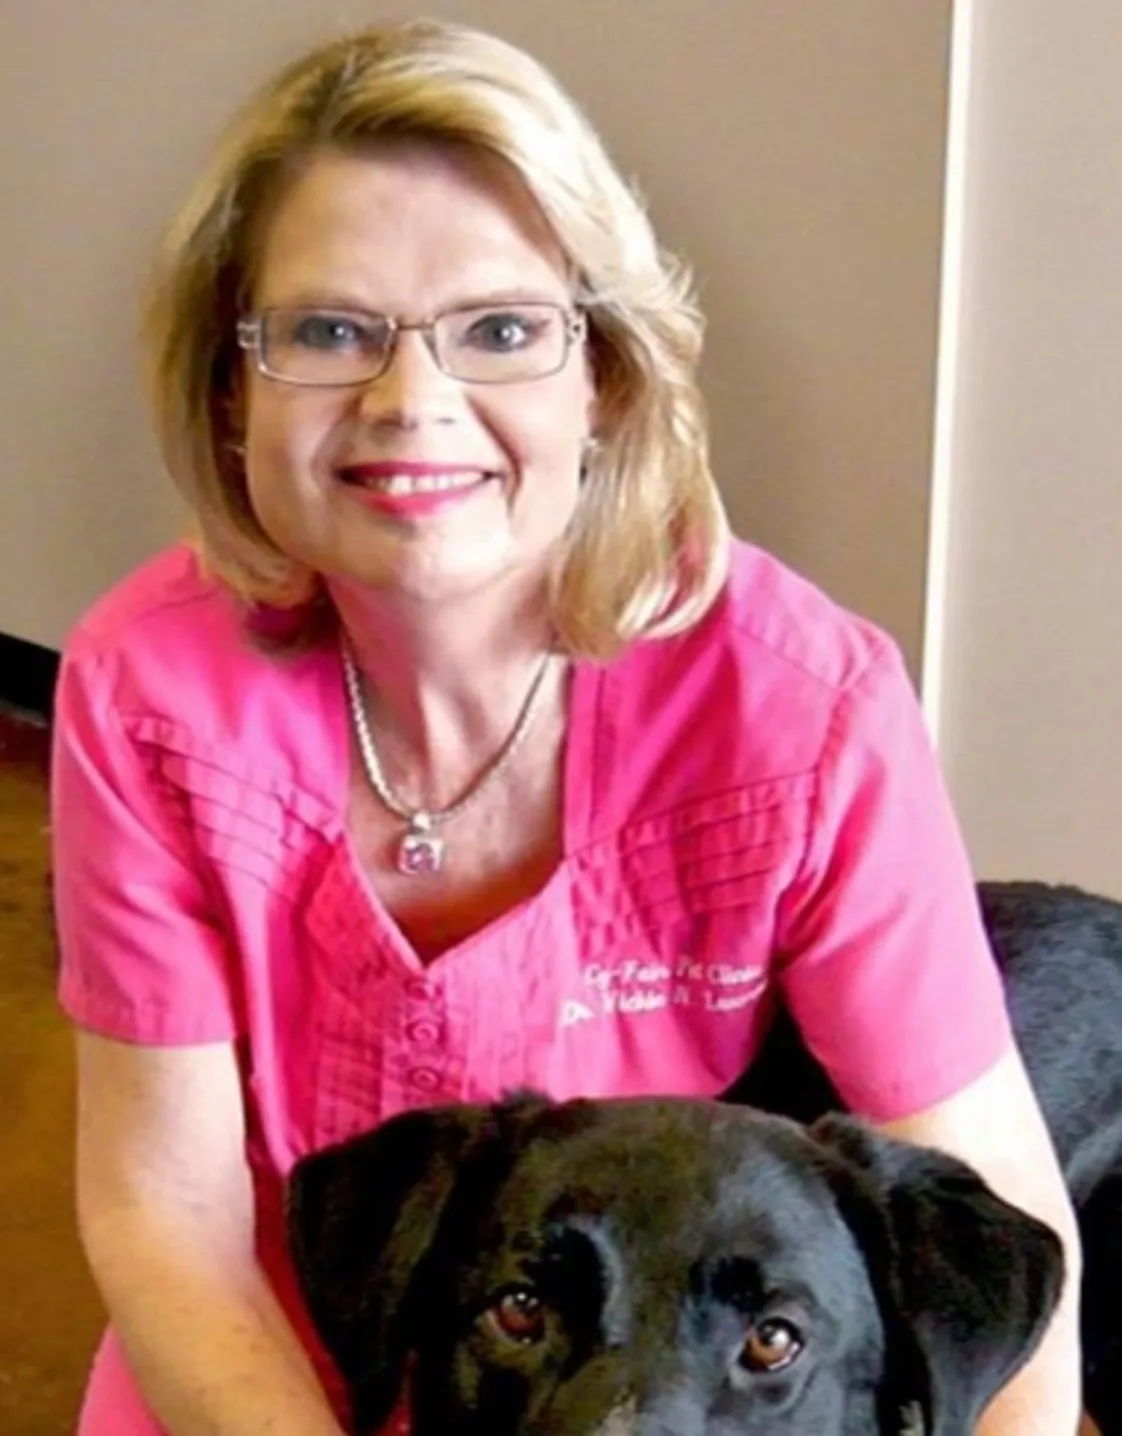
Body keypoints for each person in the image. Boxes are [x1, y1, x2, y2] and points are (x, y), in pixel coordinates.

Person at [50, 18, 1083, 1436]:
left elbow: (999, 1244)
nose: (413, 403)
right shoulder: (146, 689)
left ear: (600, 375)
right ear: (233, 392)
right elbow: (165, 1213)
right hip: (259, 1350)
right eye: (330, 332)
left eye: (500, 330)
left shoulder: (804, 705)